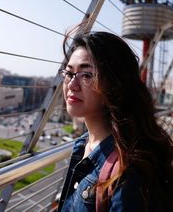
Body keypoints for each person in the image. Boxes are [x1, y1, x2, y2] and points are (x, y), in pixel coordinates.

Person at [57, 30, 173, 212]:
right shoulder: (84, 144)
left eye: (86, 75)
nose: (72, 85)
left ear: (114, 84)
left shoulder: (128, 172)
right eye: (69, 73)